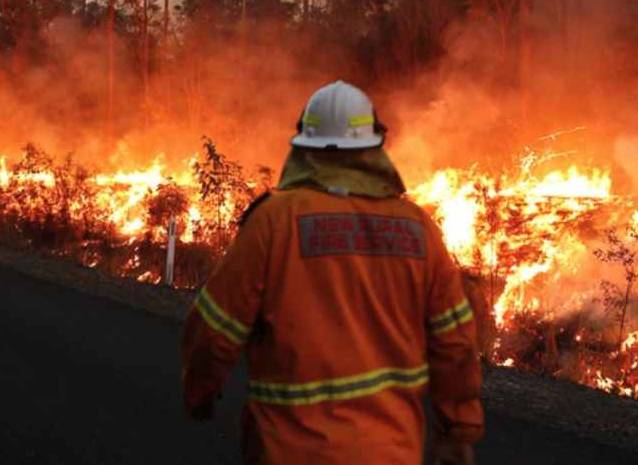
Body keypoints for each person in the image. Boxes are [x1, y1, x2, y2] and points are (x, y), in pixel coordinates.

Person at [180, 81, 483, 465]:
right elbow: (454, 342)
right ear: (374, 146)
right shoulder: (417, 228)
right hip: (390, 452)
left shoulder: (274, 221)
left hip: (287, 451)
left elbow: (214, 327)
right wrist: (457, 433)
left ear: (305, 148)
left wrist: (200, 389)